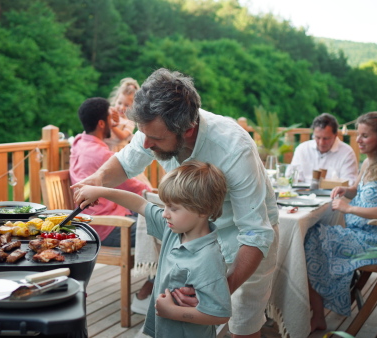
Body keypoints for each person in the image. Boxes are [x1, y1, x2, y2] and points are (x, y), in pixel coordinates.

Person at [72, 68, 279, 338]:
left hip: (244, 243)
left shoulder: (234, 149)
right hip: (194, 241)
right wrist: (97, 181)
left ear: (188, 130)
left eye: (156, 139)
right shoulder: (151, 129)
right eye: (142, 134)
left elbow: (255, 232)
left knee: (242, 326)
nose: (146, 144)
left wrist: (216, 291)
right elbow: (125, 162)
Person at [75, 160, 231, 338]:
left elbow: (220, 314)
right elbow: (140, 204)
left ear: (203, 210)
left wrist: (173, 312)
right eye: (164, 206)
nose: (165, 213)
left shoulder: (208, 259)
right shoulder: (173, 230)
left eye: (173, 208)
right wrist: (101, 191)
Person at [304, 111, 377, 332]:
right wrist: (344, 190)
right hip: (360, 233)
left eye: (365, 136)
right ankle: (319, 312)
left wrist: (348, 208)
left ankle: (320, 311)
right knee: (310, 237)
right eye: (358, 134)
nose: (358, 140)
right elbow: (355, 189)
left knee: (310, 240)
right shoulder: (369, 162)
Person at [70, 97, 151, 246]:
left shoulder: (79, 142)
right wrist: (154, 193)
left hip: (91, 220)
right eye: (110, 119)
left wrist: (113, 120)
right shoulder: (101, 154)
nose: (113, 123)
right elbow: (133, 187)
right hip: (105, 226)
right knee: (160, 230)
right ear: (101, 123)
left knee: (153, 219)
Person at [290, 113, 359, 185]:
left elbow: (349, 183)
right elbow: (292, 178)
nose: (321, 143)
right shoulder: (302, 149)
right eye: (317, 137)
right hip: (303, 193)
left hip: (334, 194)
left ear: (335, 135)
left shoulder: (347, 153)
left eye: (326, 138)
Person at [104, 77, 139, 152]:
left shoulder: (129, 122)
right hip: (104, 146)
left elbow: (122, 136)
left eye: (126, 105)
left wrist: (112, 126)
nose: (122, 107)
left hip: (117, 150)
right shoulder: (110, 113)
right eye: (119, 103)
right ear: (115, 100)